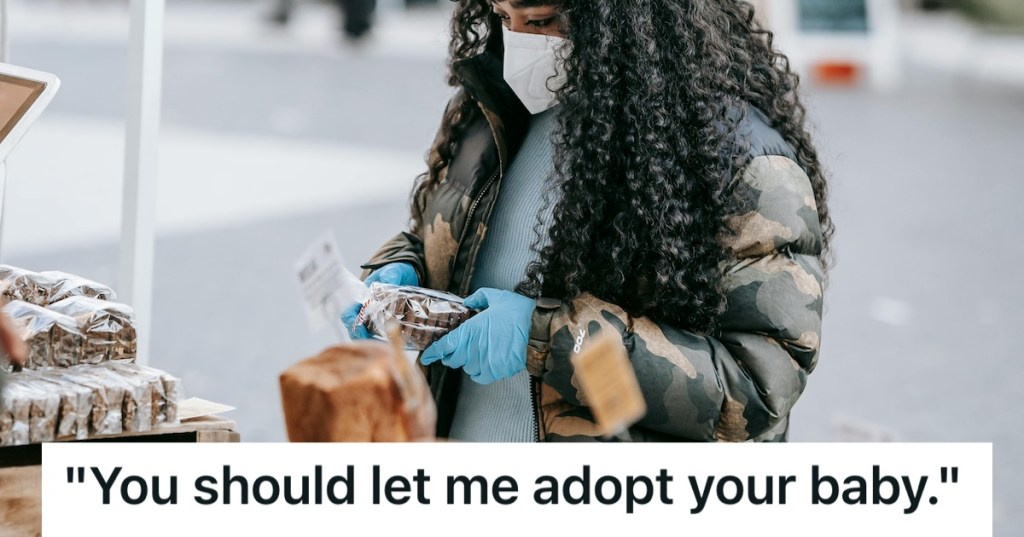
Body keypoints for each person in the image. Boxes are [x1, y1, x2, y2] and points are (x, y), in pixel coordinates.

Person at [343, 0, 832, 442]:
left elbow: (755, 388)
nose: (519, 40)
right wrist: (405, 272)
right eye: (501, 16)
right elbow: (459, 238)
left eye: (539, 21)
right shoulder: (492, 108)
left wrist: (549, 339)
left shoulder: (737, 161)